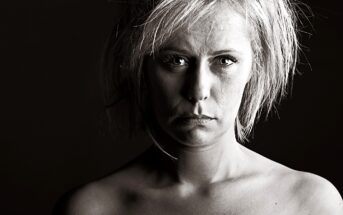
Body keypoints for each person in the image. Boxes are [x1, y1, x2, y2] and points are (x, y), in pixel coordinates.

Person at [54, 0, 343, 214]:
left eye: (225, 61)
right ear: (142, 67)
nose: (197, 91)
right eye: (175, 60)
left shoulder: (310, 203)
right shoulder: (92, 208)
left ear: (256, 67)